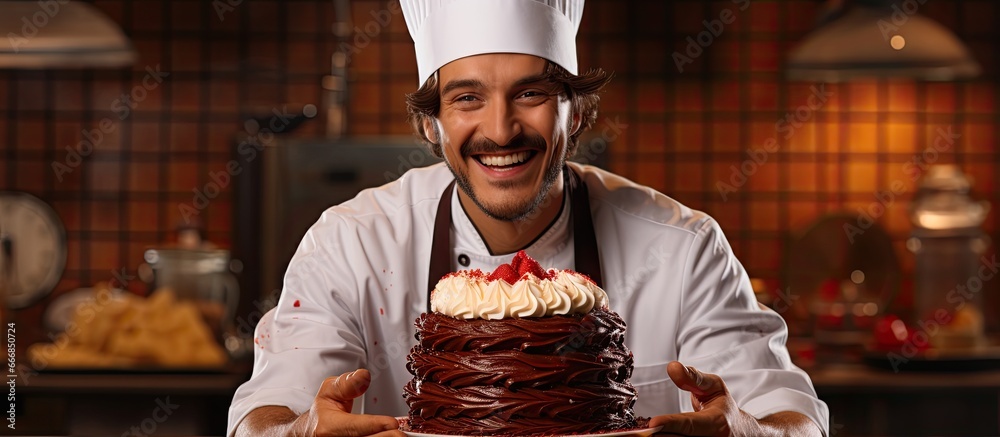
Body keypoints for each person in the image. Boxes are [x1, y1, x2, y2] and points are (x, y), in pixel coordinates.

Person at [228, 0, 830, 436]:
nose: (499, 130)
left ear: (578, 110)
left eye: (531, 93)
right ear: (429, 122)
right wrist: (302, 432)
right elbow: (261, 421)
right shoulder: (351, 244)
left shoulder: (681, 247)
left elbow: (796, 423)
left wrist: (748, 432)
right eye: (467, 98)